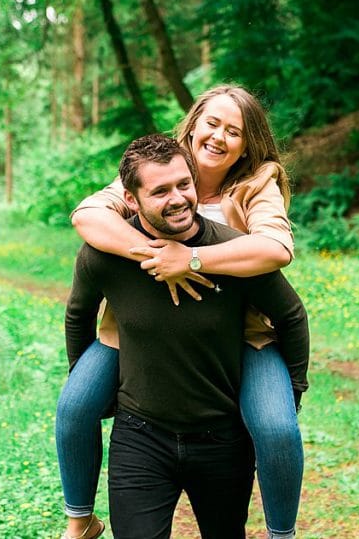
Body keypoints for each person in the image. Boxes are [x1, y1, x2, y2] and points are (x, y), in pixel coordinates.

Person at [57, 85, 304, 539]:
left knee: (275, 427)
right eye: (212, 123)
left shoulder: (255, 185)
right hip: (137, 329)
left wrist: (189, 260)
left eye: (235, 131)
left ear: (247, 144)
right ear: (192, 126)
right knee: (75, 404)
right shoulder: (162, 165)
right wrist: (153, 254)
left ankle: (281, 534)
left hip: (240, 332)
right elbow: (88, 217)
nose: (219, 137)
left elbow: (275, 247)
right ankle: (79, 520)